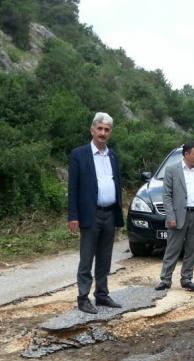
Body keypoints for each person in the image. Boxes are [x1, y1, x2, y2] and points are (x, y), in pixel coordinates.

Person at [67, 112, 124, 314]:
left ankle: (101, 295)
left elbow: (117, 184)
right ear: (92, 130)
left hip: (109, 213)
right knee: (87, 258)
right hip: (89, 214)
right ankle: (83, 297)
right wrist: (73, 215)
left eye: (106, 130)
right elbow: (73, 188)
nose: (102, 133)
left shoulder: (113, 156)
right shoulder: (79, 155)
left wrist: (119, 211)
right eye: (99, 129)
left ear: (110, 133)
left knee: (105, 257)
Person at [155, 142, 194, 292]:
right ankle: (165, 279)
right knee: (173, 248)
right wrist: (170, 215)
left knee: (192, 248)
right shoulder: (172, 170)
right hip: (178, 216)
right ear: (186, 154)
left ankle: (187, 279)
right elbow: (166, 196)